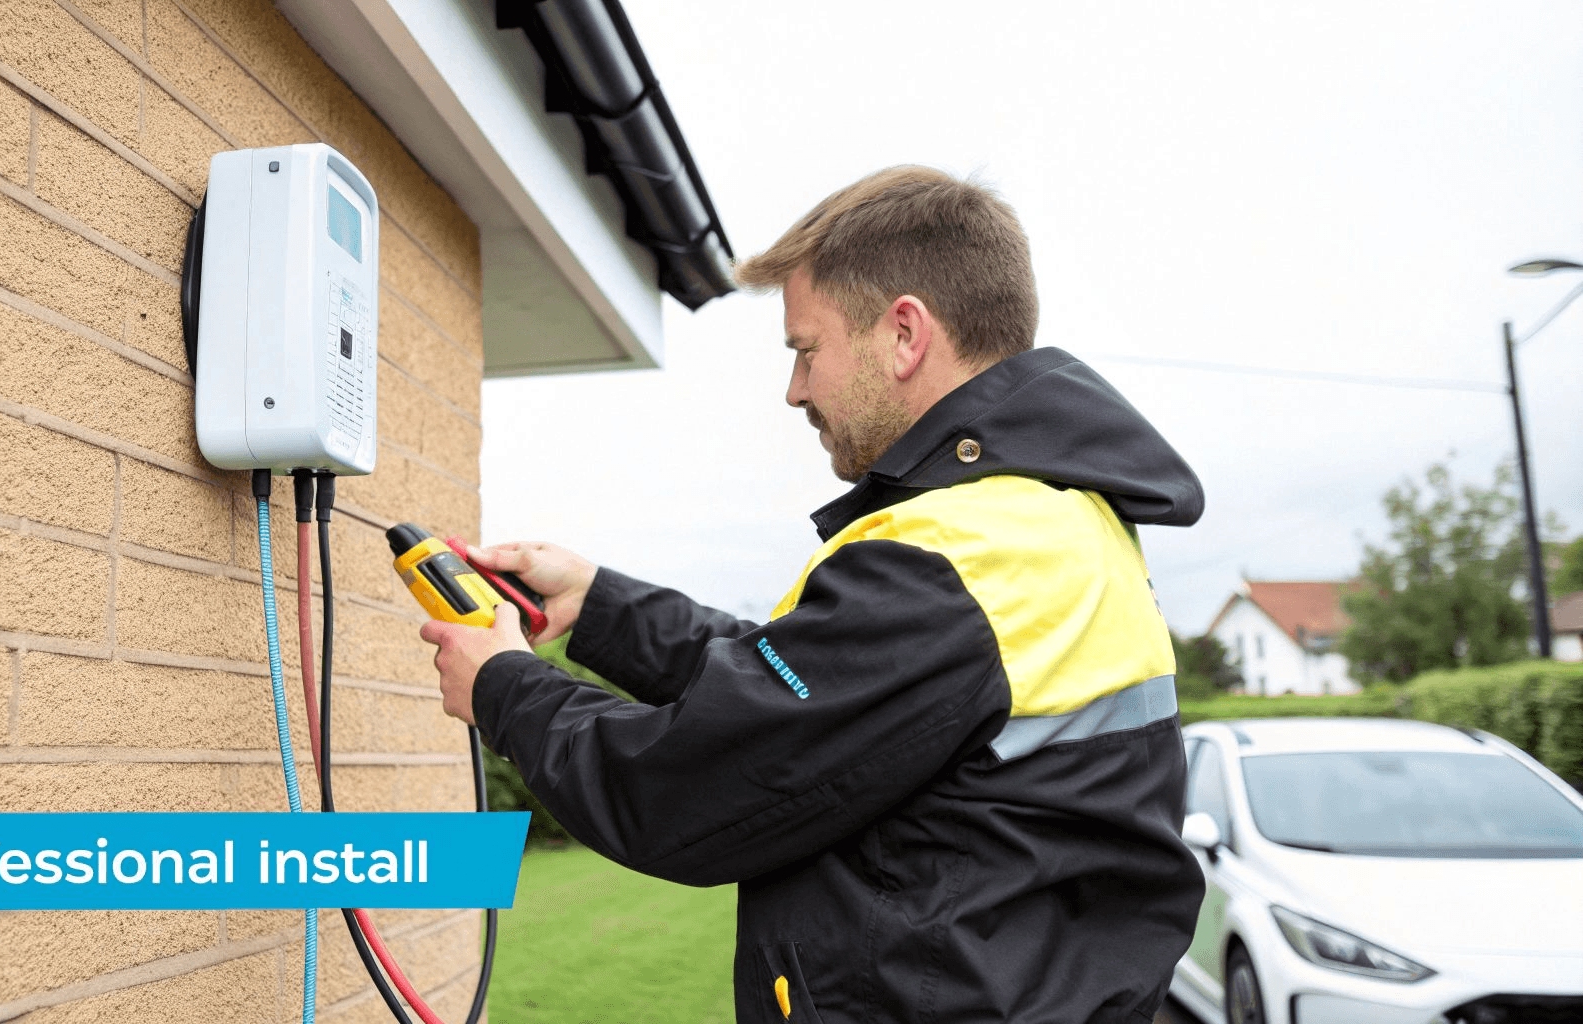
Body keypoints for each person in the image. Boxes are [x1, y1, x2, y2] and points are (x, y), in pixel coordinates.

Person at [419, 166, 1206, 1023]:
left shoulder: (951, 560)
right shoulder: (1050, 524)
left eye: (806, 349)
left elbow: (686, 790)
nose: (795, 389)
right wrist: (599, 604)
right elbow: (813, 698)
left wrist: (502, 686)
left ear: (904, 333)